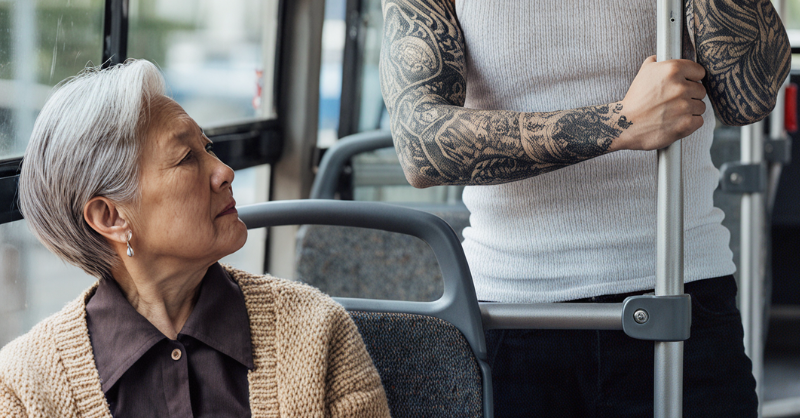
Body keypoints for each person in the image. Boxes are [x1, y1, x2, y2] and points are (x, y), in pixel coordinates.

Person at [380, 0, 790, 416]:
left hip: (680, 290)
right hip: (507, 309)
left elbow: (750, 99)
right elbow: (420, 145)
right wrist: (621, 122)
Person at [0, 60, 391, 418]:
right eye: (186, 158)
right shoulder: (23, 388)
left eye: (208, 148)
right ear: (111, 216)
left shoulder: (316, 332)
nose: (225, 172)